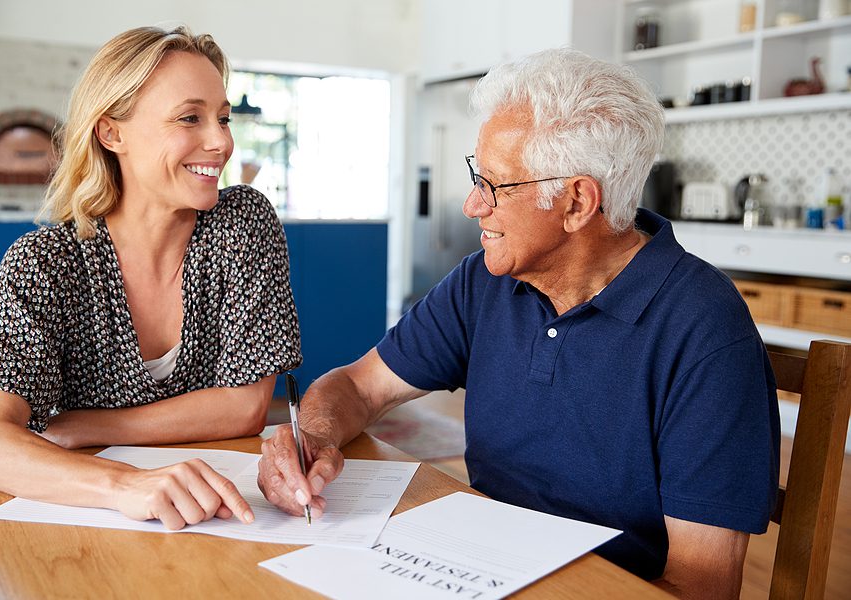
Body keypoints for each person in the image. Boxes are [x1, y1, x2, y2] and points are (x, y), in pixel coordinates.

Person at [257, 48, 778, 599]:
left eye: (496, 185)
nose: (471, 205)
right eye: (475, 175)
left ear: (577, 201)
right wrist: (310, 437)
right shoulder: (484, 282)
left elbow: (704, 586)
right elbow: (359, 386)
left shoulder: (705, 329)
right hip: (472, 566)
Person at [0, 26, 301, 531]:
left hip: (217, 522)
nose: (221, 140)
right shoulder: (47, 263)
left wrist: (84, 426)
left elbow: (245, 406)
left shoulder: (241, 223)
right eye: (190, 118)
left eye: (223, 118)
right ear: (112, 132)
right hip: (81, 532)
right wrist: (124, 484)